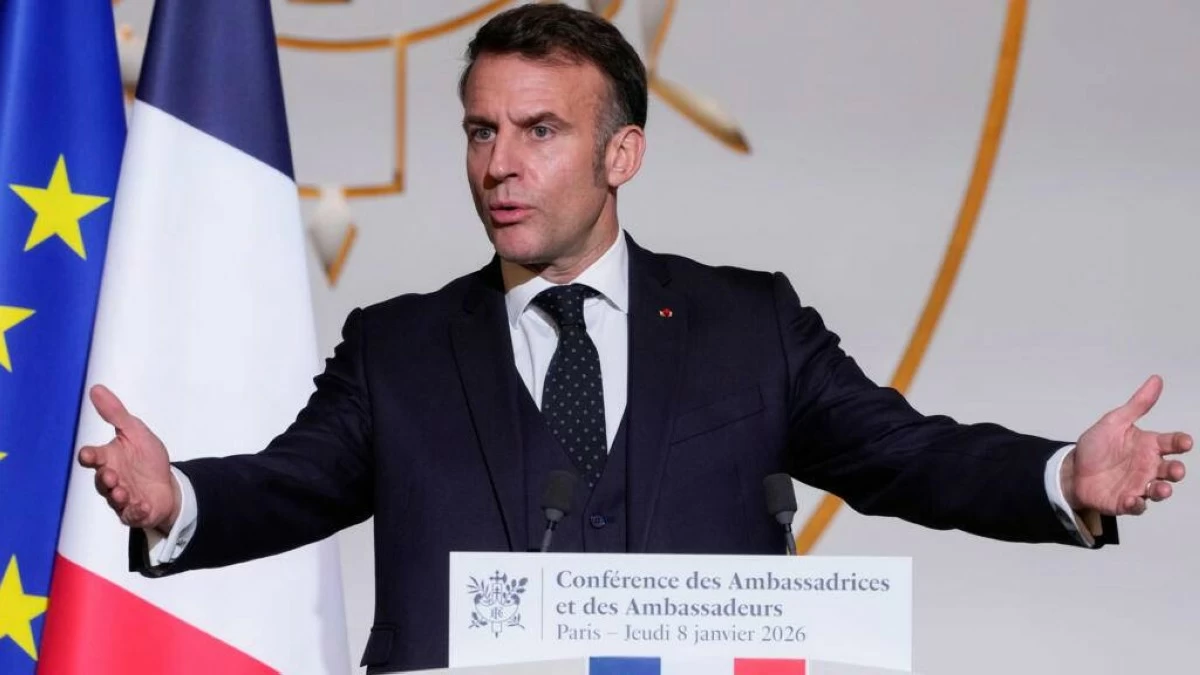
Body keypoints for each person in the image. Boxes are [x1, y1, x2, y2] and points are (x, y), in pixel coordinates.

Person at [78, 4, 1190, 672]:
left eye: (539, 130)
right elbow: (292, 484)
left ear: (624, 155)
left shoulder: (750, 327)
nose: (499, 165)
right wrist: (178, 499)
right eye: (481, 130)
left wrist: (1061, 476)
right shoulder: (397, 347)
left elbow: (909, 454)